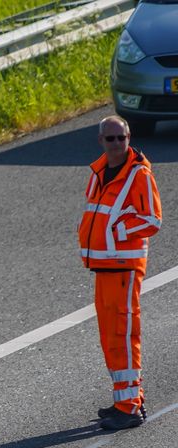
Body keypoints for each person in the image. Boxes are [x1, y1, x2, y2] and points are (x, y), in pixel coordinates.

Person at [78, 115, 162, 430]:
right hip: (103, 267)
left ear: (128, 138)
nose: (116, 144)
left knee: (124, 336)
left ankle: (130, 408)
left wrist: (116, 231)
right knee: (109, 337)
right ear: (101, 140)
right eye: (110, 138)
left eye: (121, 138)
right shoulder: (99, 172)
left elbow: (152, 220)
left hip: (124, 267)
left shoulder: (139, 175)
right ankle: (126, 400)